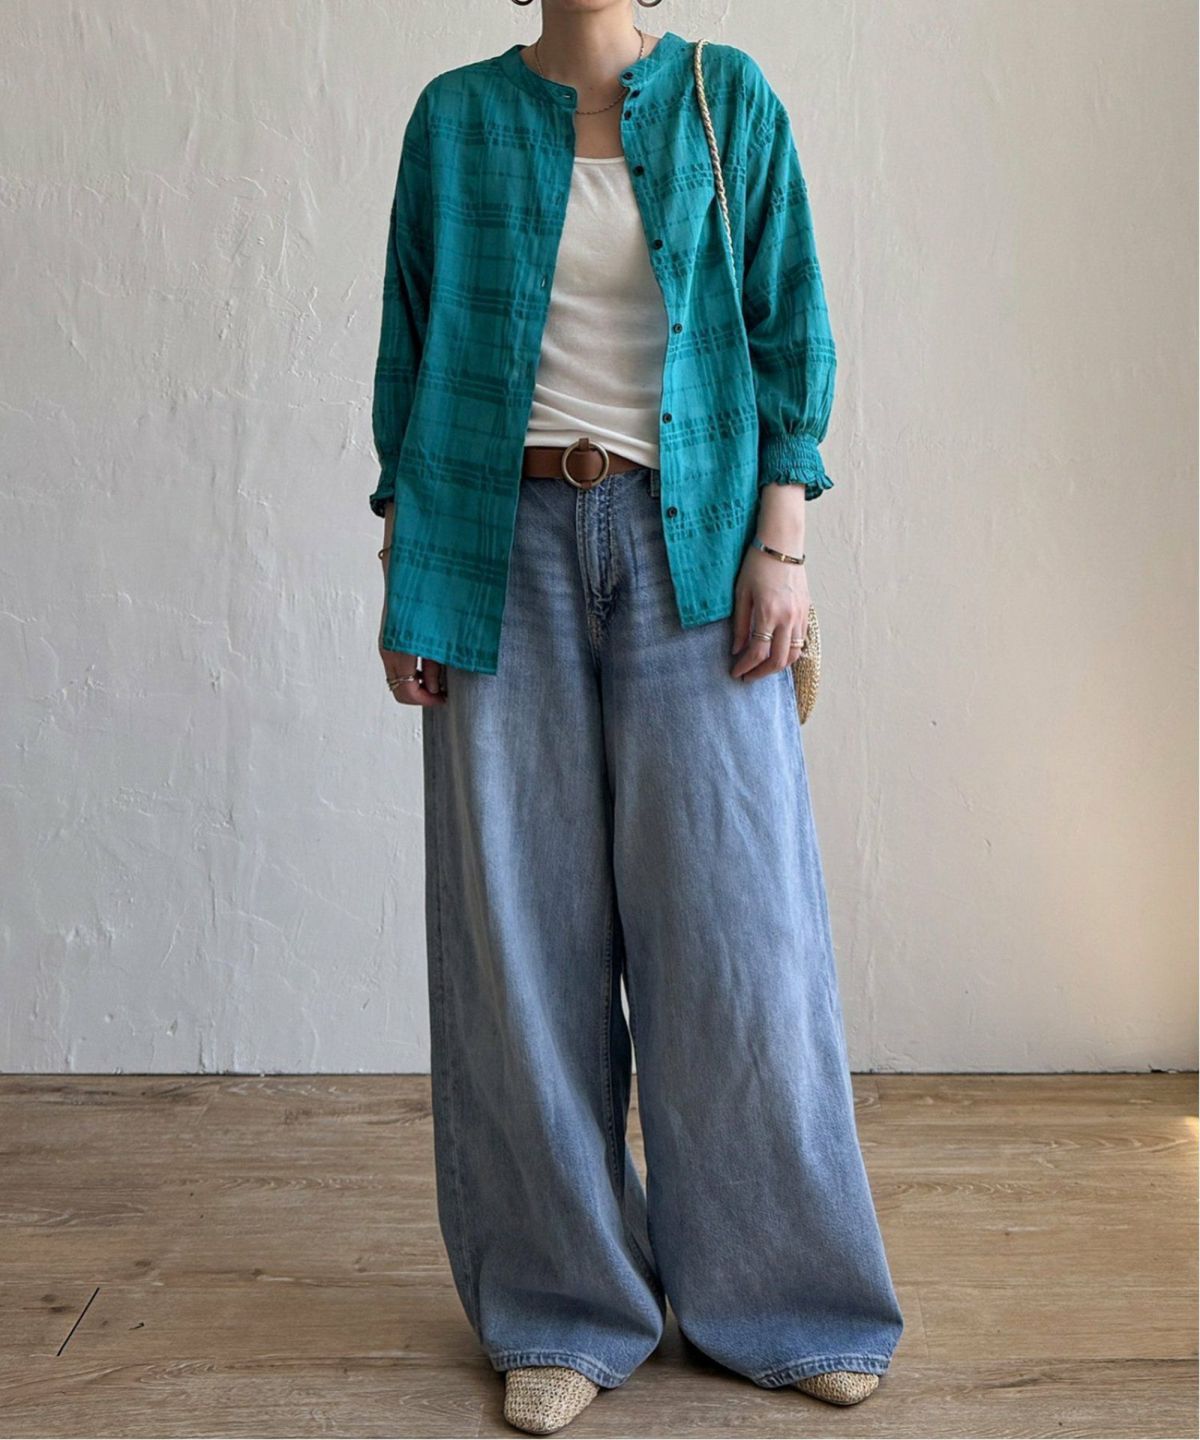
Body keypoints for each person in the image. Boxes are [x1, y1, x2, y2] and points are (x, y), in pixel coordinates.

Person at [369, 2, 904, 1433]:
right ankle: (563, 1309)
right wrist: (404, 569)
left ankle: (789, 1301)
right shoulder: (455, 120)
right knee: (521, 946)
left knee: (739, 938)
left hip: (697, 544)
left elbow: (788, 320)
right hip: (498, 547)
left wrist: (782, 539)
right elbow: (410, 347)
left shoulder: (729, 99)